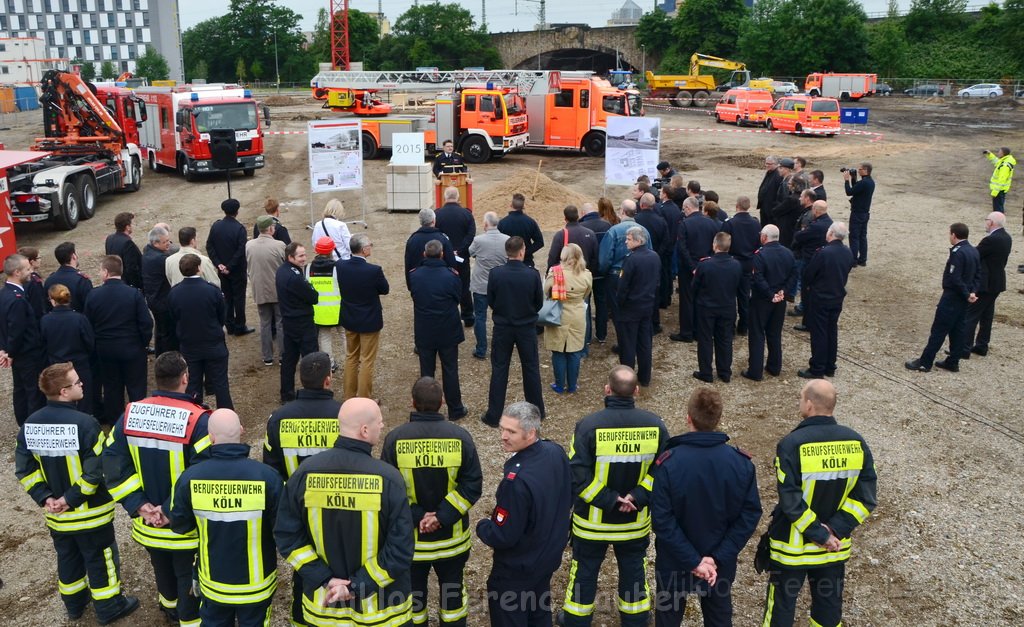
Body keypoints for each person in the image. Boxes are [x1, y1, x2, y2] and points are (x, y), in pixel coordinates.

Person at [15, 363, 139, 624]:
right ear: (63, 391)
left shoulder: (30, 425)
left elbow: (25, 470)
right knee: (101, 558)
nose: (82, 384)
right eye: (77, 382)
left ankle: (74, 604)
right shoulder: (86, 424)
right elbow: (95, 472)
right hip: (90, 514)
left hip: (57, 517)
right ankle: (110, 607)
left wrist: (46, 497)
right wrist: (69, 500)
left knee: (68, 558)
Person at [274, 398, 414, 627]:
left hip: (323, 610)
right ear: (364, 430)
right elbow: (400, 549)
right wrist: (355, 586)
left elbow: (287, 536)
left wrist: (325, 579)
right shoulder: (389, 479)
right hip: (381, 614)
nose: (383, 425)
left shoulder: (304, 475)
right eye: (379, 422)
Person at [102, 351, 211, 626]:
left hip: (147, 522)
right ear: (185, 378)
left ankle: (169, 608)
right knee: (188, 574)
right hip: (184, 526)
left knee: (161, 566)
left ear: (158, 379)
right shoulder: (198, 420)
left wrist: (139, 504)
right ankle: (188, 619)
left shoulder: (131, 413)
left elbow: (113, 462)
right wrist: (169, 508)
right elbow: (203, 474)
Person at [761, 380, 877, 627]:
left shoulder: (792, 444)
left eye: (801, 398)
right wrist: (833, 530)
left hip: (792, 551)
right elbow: (865, 498)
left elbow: (790, 501)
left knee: (781, 607)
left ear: (810, 404)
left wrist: (817, 533)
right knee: (828, 607)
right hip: (833, 549)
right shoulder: (856, 442)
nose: (800, 402)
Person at [562, 366, 668, 627]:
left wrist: (610, 500)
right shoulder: (656, 426)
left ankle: (575, 621)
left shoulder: (587, 426)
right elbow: (663, 472)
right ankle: (636, 619)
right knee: (634, 572)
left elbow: (577, 475)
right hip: (634, 522)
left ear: (607, 390)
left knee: (584, 573)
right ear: (637, 391)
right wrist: (637, 497)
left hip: (591, 524)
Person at [651, 387, 761, 627]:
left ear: (688, 417)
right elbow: (750, 515)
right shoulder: (741, 465)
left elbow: (662, 520)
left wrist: (693, 561)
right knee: (719, 617)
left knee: (668, 618)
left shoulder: (669, 463)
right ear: (718, 419)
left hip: (675, 563)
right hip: (718, 566)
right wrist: (716, 559)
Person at [381, 377, 483, 627]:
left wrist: (420, 518)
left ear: (412, 402)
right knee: (453, 597)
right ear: (443, 402)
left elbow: (387, 493)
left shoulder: (395, 440)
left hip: (411, 544)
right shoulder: (461, 437)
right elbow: (472, 485)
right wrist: (441, 517)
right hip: (452, 541)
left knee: (414, 599)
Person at [169, 409, 282, 626]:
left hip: (214, 585)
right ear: (241, 431)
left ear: (210, 437)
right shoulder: (268, 477)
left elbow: (180, 525)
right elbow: (281, 529)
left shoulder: (190, 478)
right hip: (256, 586)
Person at [262, 352, 342, 624]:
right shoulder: (344, 416)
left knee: (304, 564)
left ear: (302, 380)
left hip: (297, 508)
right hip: (339, 507)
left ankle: (301, 618)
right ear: (328, 380)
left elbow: (271, 471)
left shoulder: (279, 418)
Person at [477, 402, 572, 627]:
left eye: (511, 431)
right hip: (546, 559)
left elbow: (503, 536)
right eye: (502, 429)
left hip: (516, 571)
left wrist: (482, 526)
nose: (503, 436)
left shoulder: (516, 481)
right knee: (539, 614)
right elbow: (569, 494)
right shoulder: (555, 452)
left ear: (531, 433)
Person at [481, 237, 545, 427]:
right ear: (522, 251)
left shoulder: (496, 274)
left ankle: (494, 415)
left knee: (500, 369)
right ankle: (537, 412)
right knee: (531, 368)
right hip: (525, 327)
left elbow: (491, 299)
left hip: (503, 326)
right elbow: (538, 302)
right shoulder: (532, 274)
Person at [84, 255, 152, 425]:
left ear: (106, 272)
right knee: (136, 387)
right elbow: (146, 323)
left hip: (105, 349)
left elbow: (88, 324)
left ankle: (115, 424)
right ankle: (138, 422)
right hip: (132, 348)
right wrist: (142, 343)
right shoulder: (133, 294)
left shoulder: (93, 295)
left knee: (111, 389)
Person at [905, 222, 981, 374]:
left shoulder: (958, 253)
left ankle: (925, 363)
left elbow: (955, 278)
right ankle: (953, 361)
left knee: (939, 331)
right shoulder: (973, 251)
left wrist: (967, 293)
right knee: (958, 331)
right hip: (963, 300)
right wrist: (972, 292)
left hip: (952, 298)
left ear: (954, 235)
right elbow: (978, 275)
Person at [410, 240, 468, 420]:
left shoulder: (414, 275)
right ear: (442, 254)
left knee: (426, 371)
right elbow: (457, 297)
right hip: (447, 328)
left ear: (424, 254)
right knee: (450, 369)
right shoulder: (451, 275)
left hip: (425, 329)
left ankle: (426, 409)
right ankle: (455, 408)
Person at [169, 254, 233, 409]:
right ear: (199, 268)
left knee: (193, 385)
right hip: (213, 343)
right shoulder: (212, 290)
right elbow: (221, 316)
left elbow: (173, 317)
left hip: (189, 344)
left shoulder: (174, 293)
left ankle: (193, 415)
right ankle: (226, 417)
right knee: (220, 383)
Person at [335, 234, 389, 400]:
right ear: (364, 249)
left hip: (350, 318)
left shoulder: (341, 265)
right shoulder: (374, 270)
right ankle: (365, 398)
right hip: (369, 321)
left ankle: (349, 396)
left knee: (351, 357)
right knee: (366, 360)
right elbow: (384, 289)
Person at [799, 223, 853, 379]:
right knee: (831, 331)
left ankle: (817, 367)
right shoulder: (847, 252)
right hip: (837, 297)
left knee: (819, 333)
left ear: (831, 233)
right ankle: (830, 366)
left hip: (821, 297)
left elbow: (809, 274)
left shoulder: (823, 253)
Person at [744, 225, 795, 381]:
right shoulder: (788, 253)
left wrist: (770, 294)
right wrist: (783, 292)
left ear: (764, 237)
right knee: (774, 333)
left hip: (762, 300)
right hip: (779, 300)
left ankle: (755, 370)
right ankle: (774, 367)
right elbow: (793, 275)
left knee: (757, 334)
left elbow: (758, 278)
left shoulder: (760, 255)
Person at [1, 253, 47, 425]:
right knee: (33, 392)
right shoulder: (17, 300)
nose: (31, 272)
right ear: (17, 272)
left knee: (19, 390)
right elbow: (17, 330)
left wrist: (4, 349)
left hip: (16, 353)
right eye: (27, 269)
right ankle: (34, 427)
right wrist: (10, 352)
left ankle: (23, 422)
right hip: (27, 354)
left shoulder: (4, 293)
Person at [599, 200, 651, 348]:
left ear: (622, 211)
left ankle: (624, 343)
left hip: (616, 275)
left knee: (618, 311)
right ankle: (634, 340)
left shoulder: (614, 231)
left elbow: (605, 258)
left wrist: (604, 273)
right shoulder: (644, 231)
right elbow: (650, 252)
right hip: (640, 275)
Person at [692, 233, 743, 383]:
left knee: (706, 339)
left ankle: (706, 372)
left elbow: (694, 287)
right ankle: (724, 372)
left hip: (707, 308)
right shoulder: (736, 265)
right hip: (727, 307)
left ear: (715, 245)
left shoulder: (704, 264)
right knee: (725, 340)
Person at [544, 243, 592, 394]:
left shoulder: (555, 273)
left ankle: (559, 385)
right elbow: (587, 293)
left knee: (558, 350)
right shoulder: (586, 274)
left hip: (558, 313)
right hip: (577, 313)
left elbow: (547, 291)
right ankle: (572, 385)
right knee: (575, 350)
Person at [40, 284, 96, 414]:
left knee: (60, 402)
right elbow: (89, 343)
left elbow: (43, 343)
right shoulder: (79, 318)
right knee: (84, 403)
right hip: (80, 366)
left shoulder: (45, 320)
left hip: (56, 367)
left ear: (52, 300)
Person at [962, 212, 1012, 357]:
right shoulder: (1006, 237)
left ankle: (964, 348)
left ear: (991, 223)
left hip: (986, 283)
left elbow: (976, 254)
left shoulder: (990, 240)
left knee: (970, 315)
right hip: (997, 282)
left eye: (987, 220)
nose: (985, 223)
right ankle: (982, 345)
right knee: (986, 316)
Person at [617, 228, 660, 387]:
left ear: (638, 241)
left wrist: (619, 303)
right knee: (644, 343)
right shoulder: (654, 256)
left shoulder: (631, 259)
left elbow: (623, 286)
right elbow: (657, 282)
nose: (626, 242)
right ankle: (644, 377)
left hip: (630, 307)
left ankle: (626, 379)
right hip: (647, 306)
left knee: (628, 345)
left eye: (629, 239)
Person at [671, 196, 718, 344]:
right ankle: (700, 331)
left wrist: (692, 267)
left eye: (684, 209)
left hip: (688, 269)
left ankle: (687, 332)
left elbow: (682, 248)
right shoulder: (712, 224)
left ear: (688, 208)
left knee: (687, 300)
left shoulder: (685, 224)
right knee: (702, 299)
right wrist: (707, 263)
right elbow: (715, 246)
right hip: (707, 267)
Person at [277, 242, 319, 403]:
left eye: (304, 254)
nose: (304, 258)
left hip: (289, 322)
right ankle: (313, 394)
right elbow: (313, 297)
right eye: (300, 256)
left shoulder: (282, 270)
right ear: (290, 257)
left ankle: (286, 394)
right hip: (302, 323)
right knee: (311, 360)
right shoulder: (295, 277)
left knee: (289, 359)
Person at [207, 198, 253, 335]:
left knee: (227, 297)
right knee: (239, 298)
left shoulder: (216, 226)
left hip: (222, 269)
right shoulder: (239, 229)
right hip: (237, 270)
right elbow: (241, 250)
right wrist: (230, 266)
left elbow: (210, 246)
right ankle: (240, 326)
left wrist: (219, 264)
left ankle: (230, 325)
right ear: (237, 211)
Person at [246, 215, 287, 366]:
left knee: (264, 323)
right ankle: (283, 355)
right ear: (270, 228)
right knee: (281, 322)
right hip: (277, 289)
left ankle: (267, 356)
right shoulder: (280, 245)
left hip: (260, 289)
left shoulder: (249, 245)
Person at [469, 211, 510, 359]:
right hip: (500, 285)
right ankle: (501, 348)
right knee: (501, 317)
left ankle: (481, 349)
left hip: (481, 284)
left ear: (486, 224)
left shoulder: (479, 240)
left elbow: (470, 253)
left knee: (480, 316)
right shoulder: (507, 240)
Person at [435, 185, 477, 327]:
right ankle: (468, 315)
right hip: (462, 257)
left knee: (443, 285)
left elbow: (436, 235)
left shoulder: (437, 214)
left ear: (445, 197)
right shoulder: (466, 214)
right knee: (464, 286)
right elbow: (471, 234)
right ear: (458, 197)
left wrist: (447, 249)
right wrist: (459, 250)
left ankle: (447, 313)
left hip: (443, 257)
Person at [791, 200, 833, 332]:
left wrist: (801, 231)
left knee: (806, 289)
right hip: (821, 259)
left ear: (815, 210)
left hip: (809, 259)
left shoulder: (815, 226)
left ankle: (807, 321)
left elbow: (799, 236)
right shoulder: (829, 223)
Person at [721, 196, 761, 335]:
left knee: (730, 297)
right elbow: (758, 244)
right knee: (744, 296)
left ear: (737, 205)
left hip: (732, 263)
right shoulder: (756, 224)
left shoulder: (730, 223)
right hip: (748, 263)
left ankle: (730, 327)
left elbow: (724, 244)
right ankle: (744, 326)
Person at [580, 202, 615, 347]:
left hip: (586, 272)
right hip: (602, 272)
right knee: (601, 303)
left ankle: (587, 336)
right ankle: (602, 335)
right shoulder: (607, 226)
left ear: (583, 213)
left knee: (585, 304)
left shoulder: (581, 227)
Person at [635, 193, 670, 332]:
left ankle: (639, 322)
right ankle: (654, 323)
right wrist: (656, 254)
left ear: (641, 205)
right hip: (656, 260)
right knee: (654, 290)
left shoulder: (636, 220)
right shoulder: (661, 221)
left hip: (638, 259)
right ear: (653, 205)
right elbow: (666, 241)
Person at [307, 236, 343, 371]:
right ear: (332, 250)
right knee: (345, 336)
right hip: (338, 309)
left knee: (325, 337)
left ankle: (331, 364)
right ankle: (353, 363)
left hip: (319, 311)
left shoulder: (308, 268)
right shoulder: (338, 267)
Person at [142, 226, 177, 355]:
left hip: (154, 299)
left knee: (161, 332)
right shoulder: (161, 259)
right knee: (168, 334)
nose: (168, 244)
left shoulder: (147, 253)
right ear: (155, 243)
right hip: (162, 301)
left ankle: (160, 355)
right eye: (165, 242)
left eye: (169, 240)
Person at [405, 208, 457, 291]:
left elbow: (408, 263)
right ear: (433, 221)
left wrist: (411, 285)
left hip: (419, 283)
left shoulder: (412, 240)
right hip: (441, 283)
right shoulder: (442, 238)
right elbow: (451, 263)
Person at [547, 205, 598, 276]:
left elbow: (552, 258)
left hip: (566, 277)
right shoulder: (590, 233)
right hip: (585, 275)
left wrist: (549, 273)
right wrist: (590, 274)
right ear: (578, 216)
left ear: (565, 218)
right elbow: (594, 258)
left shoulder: (560, 235)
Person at [498, 193, 545, 268]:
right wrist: (525, 252)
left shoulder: (502, 223)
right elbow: (539, 242)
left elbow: (498, 242)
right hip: (526, 262)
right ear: (523, 207)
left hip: (507, 262)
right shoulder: (530, 222)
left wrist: (507, 252)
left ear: (511, 205)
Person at [44, 241, 93, 312]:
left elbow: (47, 306)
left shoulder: (49, 280)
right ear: (74, 256)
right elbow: (89, 305)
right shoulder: (82, 280)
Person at [844, 162, 875, 267]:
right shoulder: (870, 182)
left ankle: (853, 261)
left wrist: (846, 180)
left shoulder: (864, 183)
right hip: (865, 214)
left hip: (857, 214)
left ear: (866, 170)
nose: (858, 170)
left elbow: (849, 192)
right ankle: (862, 260)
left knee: (854, 237)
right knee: (862, 237)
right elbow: (857, 189)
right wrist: (853, 178)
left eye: (860, 169)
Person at [105, 212, 143, 290]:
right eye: (132, 224)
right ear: (127, 227)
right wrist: (138, 286)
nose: (134, 226)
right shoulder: (128, 243)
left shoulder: (110, 239)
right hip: (126, 284)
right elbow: (131, 268)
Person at [17, 245, 48, 318]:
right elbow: (38, 304)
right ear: (32, 262)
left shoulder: (19, 277)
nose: (40, 260)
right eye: (38, 258)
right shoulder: (34, 281)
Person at [984, 147, 1015, 212]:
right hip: (1000, 189)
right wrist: (989, 154)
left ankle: (998, 221)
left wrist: (995, 192)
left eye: (999, 152)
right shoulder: (1005, 160)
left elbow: (1002, 180)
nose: (998, 153)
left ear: (1003, 153)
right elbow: (997, 162)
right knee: (998, 207)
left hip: (999, 190)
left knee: (998, 209)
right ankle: (998, 220)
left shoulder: (1005, 165)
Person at [757, 156, 782, 226]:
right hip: (764, 206)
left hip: (771, 208)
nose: (767, 165)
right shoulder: (769, 172)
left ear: (776, 164)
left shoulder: (778, 175)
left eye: (770, 164)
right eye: (766, 163)